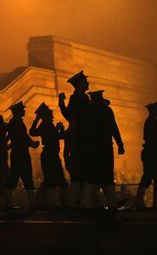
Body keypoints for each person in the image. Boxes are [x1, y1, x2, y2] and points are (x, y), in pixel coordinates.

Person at [59, 71, 94, 208]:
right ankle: (77, 201)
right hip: (80, 139)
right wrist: (61, 104)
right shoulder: (76, 99)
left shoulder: (84, 98)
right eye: (85, 81)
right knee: (82, 171)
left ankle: (78, 200)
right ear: (79, 84)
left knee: (84, 171)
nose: (87, 83)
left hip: (85, 137)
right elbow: (70, 117)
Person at [89, 90, 124, 209]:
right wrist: (120, 144)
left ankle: (92, 201)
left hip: (95, 148)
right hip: (105, 147)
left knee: (97, 176)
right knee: (106, 175)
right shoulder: (107, 111)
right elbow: (114, 128)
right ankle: (111, 201)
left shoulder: (91, 112)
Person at [29, 102, 68, 208]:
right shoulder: (46, 124)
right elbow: (37, 133)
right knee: (54, 179)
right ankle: (45, 201)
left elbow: (51, 135)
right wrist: (58, 129)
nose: (51, 113)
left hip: (50, 154)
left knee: (54, 179)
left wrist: (58, 130)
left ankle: (42, 201)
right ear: (45, 115)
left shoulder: (47, 124)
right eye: (49, 112)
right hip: (50, 155)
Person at [6, 101, 39, 209]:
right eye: (22, 109)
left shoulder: (14, 123)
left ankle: (9, 203)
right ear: (18, 111)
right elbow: (22, 138)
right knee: (25, 177)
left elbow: (16, 138)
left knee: (14, 178)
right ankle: (31, 203)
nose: (24, 111)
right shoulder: (17, 123)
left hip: (17, 153)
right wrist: (32, 144)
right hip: (21, 154)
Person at [135, 101, 157, 208]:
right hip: (151, 152)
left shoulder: (151, 121)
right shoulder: (151, 122)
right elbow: (151, 138)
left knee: (150, 176)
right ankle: (139, 201)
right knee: (147, 177)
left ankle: (143, 201)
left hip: (150, 152)